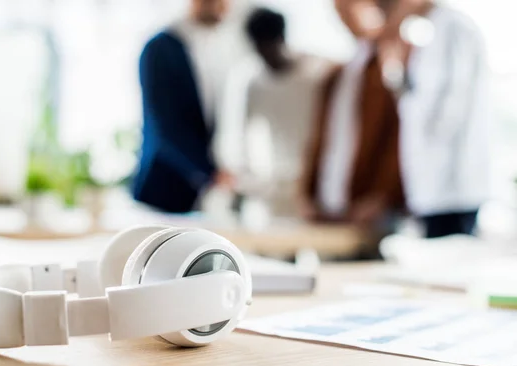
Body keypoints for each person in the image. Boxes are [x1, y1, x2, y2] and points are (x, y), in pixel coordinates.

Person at [300, 0, 491, 238]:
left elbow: (441, 118)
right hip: (426, 194)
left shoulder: (454, 28)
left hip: (453, 191)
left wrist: (388, 195)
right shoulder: (420, 33)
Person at [216, 7, 332, 218]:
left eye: (269, 45)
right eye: (259, 47)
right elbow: (234, 139)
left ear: (282, 38)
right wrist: (245, 181)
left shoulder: (316, 72)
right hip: (269, 188)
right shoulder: (248, 80)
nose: (265, 53)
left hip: (312, 184)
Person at [132, 0, 236, 213]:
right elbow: (164, 127)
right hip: (162, 189)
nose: (225, 8)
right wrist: (210, 173)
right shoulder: (160, 48)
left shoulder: (214, 48)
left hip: (197, 194)